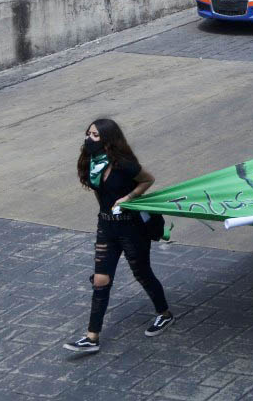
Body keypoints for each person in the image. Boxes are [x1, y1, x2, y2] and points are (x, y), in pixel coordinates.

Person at [64, 119, 172, 354]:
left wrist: (129, 198)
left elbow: (147, 179)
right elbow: (100, 194)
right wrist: (105, 212)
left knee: (142, 273)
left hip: (131, 228)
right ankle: (92, 337)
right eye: (88, 134)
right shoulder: (90, 163)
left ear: (107, 140)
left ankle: (164, 313)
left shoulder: (124, 164)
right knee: (101, 280)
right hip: (106, 226)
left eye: (94, 135)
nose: (88, 139)